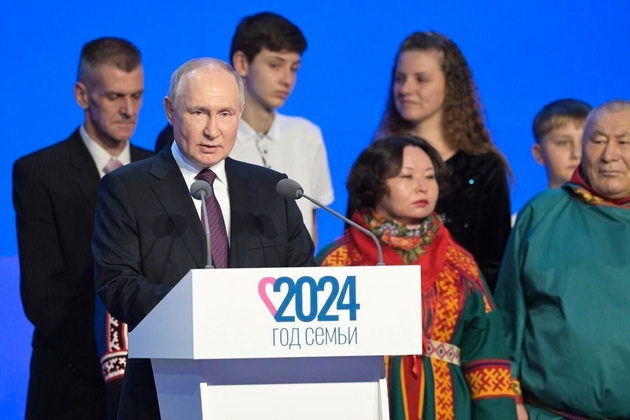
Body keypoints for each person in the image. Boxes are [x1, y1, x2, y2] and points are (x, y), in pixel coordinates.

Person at [92, 58, 315, 419]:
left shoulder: (273, 190)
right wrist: (204, 305)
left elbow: (303, 280)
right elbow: (118, 286)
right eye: (199, 112)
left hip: (262, 390)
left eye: (225, 114)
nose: (213, 130)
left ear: (240, 113)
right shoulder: (126, 189)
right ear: (170, 110)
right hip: (165, 390)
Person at [318, 135, 517, 420]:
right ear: (374, 184)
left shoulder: (459, 264)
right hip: (359, 404)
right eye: (407, 176)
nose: (422, 186)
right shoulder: (337, 262)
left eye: (430, 176)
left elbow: (487, 358)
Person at [12, 37, 152, 420]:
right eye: (114, 96)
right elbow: (44, 296)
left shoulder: (159, 169)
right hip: (70, 384)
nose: (128, 110)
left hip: (152, 384)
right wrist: (113, 362)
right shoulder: (39, 172)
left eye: (137, 96)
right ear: (81, 95)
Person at [495, 100, 630, 420]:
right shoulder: (542, 213)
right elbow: (507, 321)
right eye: (598, 140)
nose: (609, 155)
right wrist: (510, 403)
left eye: (624, 142)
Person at [372, 31, 511, 292]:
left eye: (421, 79)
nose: (406, 89)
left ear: (451, 86)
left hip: (465, 310)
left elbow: (496, 265)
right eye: (400, 78)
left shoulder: (484, 167)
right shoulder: (375, 162)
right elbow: (354, 248)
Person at [228, 12, 334, 244]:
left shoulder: (306, 134)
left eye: (294, 68)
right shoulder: (216, 139)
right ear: (242, 63)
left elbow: (311, 224)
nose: (287, 79)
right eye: (275, 65)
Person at [531, 99, 592, 189]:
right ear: (539, 154)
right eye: (563, 143)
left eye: (585, 142)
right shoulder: (538, 200)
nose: (577, 154)